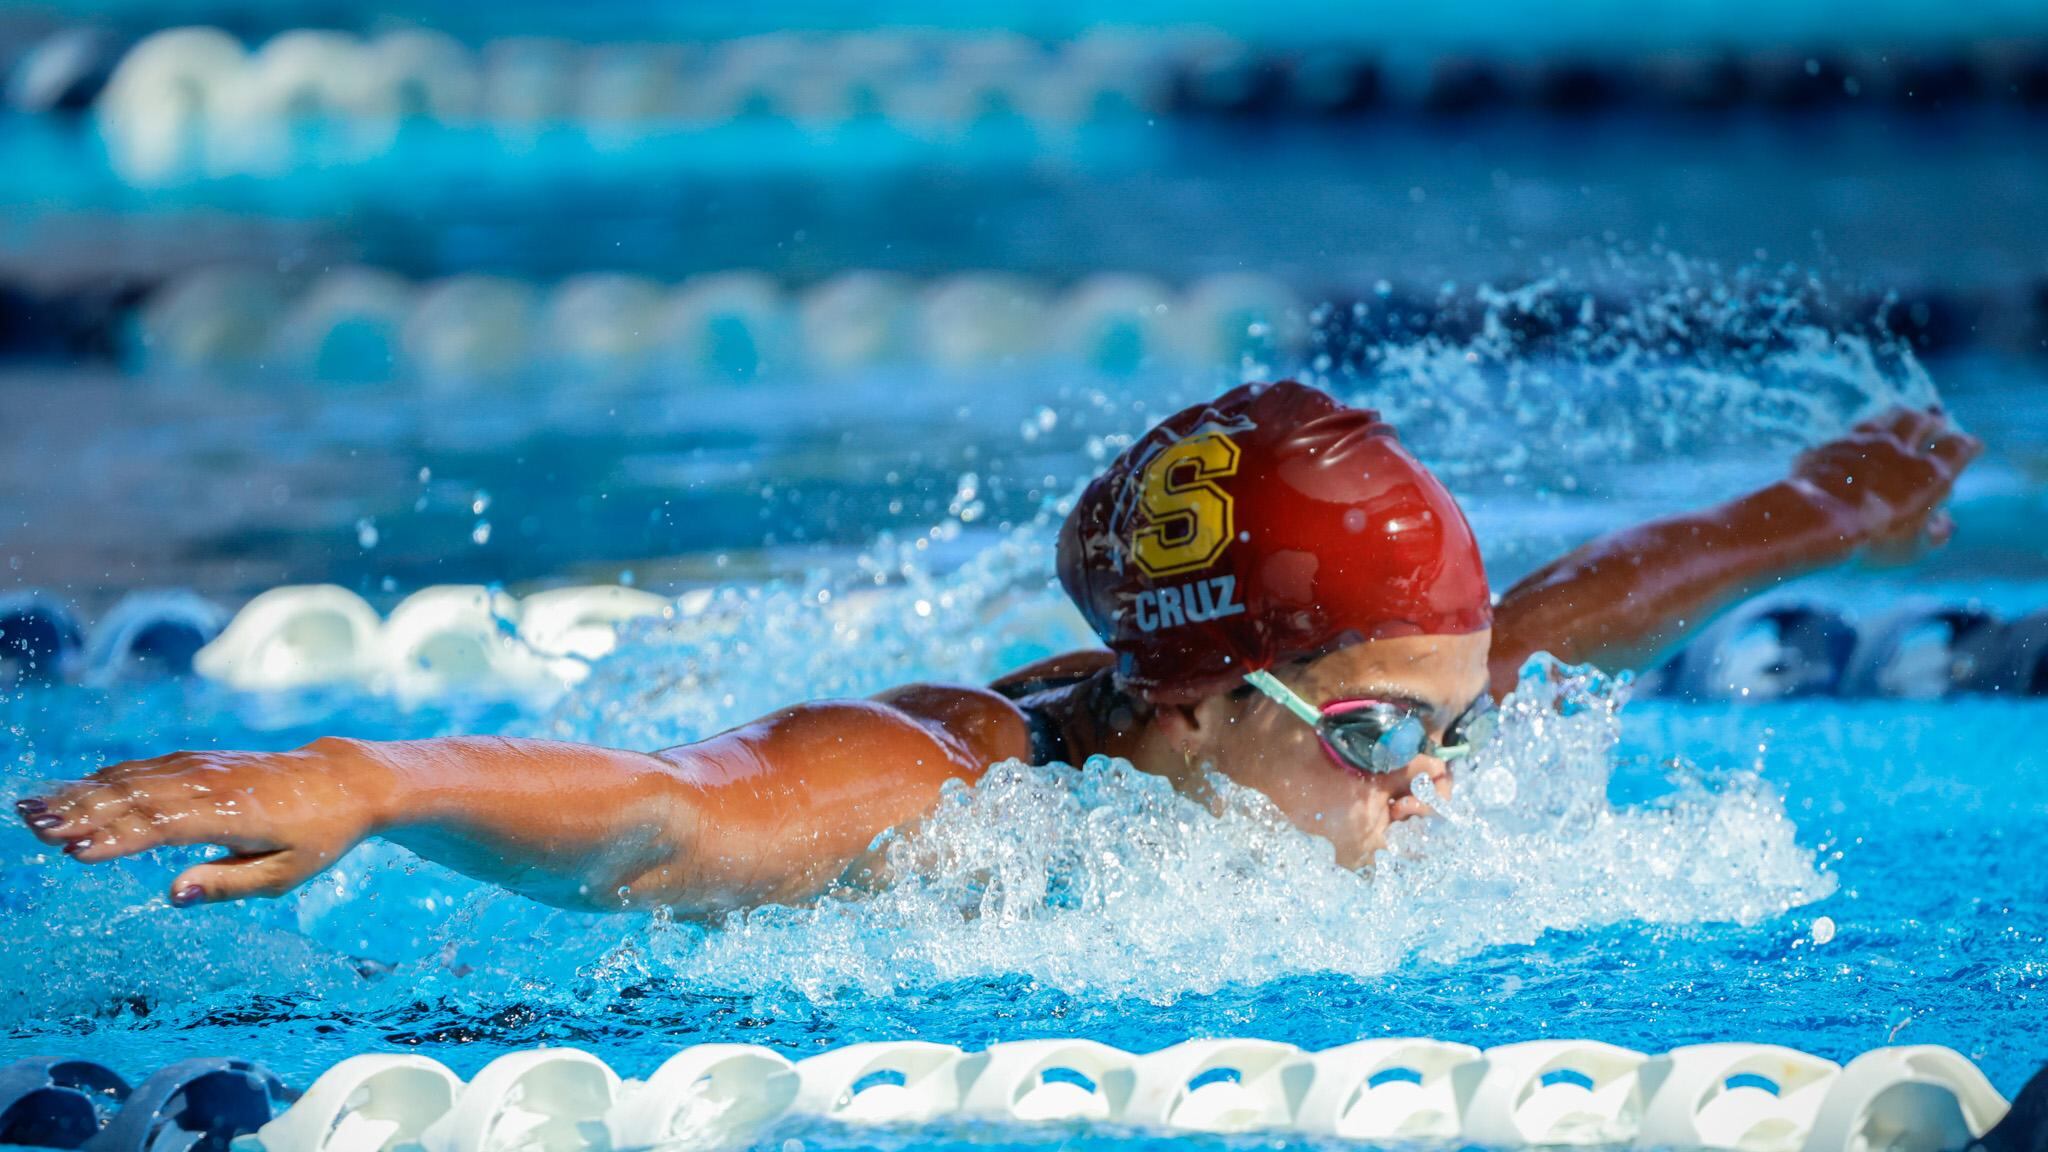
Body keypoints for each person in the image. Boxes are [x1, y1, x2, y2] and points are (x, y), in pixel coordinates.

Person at [13, 381, 1977, 915]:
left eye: (1438, 734)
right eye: (1383, 741)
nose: (1441, 790)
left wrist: (1830, 505)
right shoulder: (957, 785)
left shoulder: (1389, 699)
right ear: (1198, 701)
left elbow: (1569, 614)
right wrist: (375, 776)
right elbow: (679, 818)